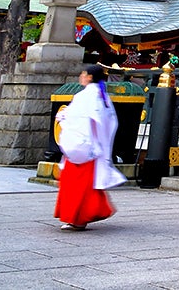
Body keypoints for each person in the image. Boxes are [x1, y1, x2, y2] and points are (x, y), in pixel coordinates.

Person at [54, 63, 126, 230]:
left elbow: (76, 118)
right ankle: (84, 215)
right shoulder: (101, 97)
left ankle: (78, 218)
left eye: (83, 74)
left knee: (76, 185)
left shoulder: (85, 96)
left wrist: (63, 117)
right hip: (93, 146)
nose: (81, 76)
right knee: (86, 184)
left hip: (82, 146)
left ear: (90, 77)